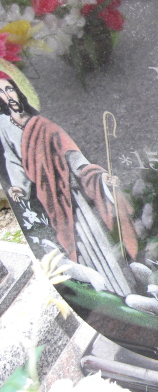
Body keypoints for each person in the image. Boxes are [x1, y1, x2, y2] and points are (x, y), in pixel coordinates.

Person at [0, 72, 137, 296]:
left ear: (18, 90)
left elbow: (71, 153)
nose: (8, 96)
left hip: (73, 193)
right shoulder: (4, 127)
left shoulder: (42, 122)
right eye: (1, 92)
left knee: (96, 235)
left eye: (10, 89)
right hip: (47, 197)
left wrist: (98, 176)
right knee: (77, 244)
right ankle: (105, 292)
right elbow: (12, 161)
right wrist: (19, 187)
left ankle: (124, 287)